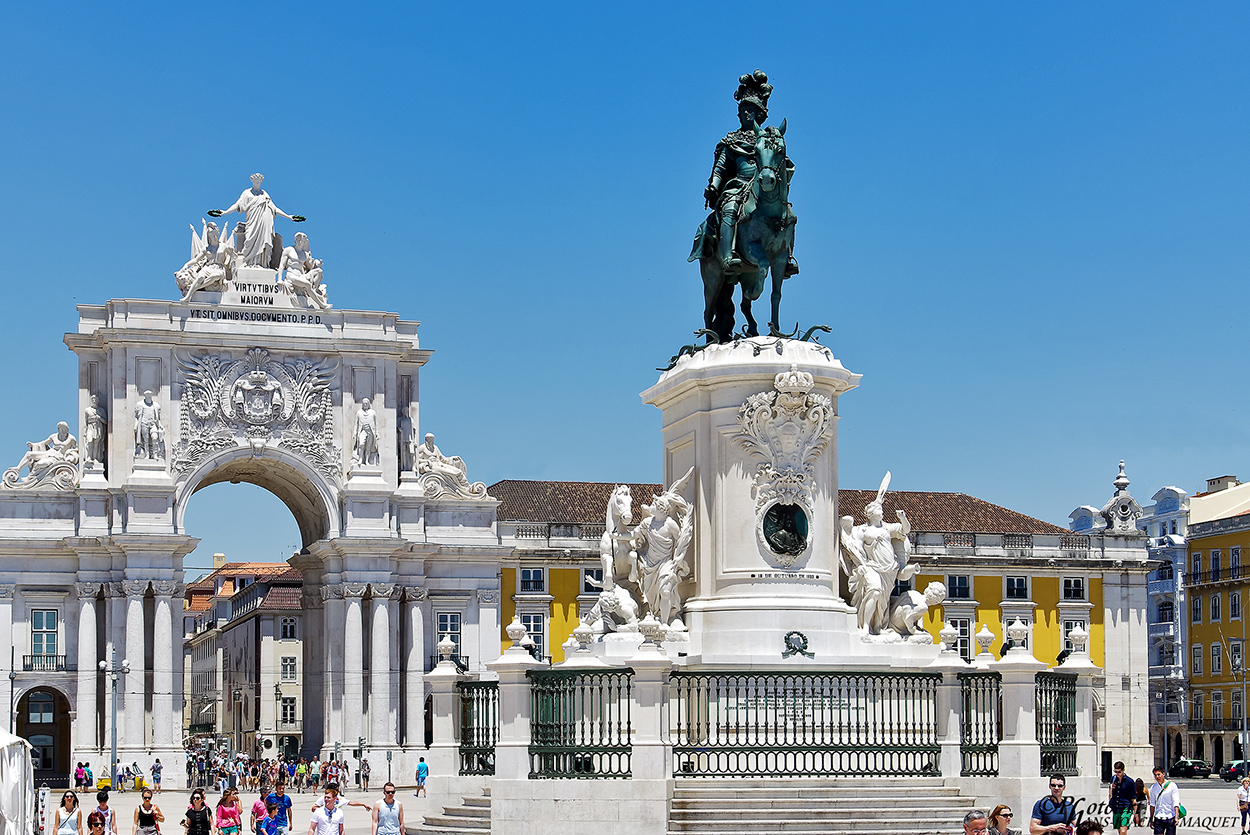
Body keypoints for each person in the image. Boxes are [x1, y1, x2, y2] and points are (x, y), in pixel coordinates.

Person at [213, 173, 302, 269]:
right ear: (252, 181)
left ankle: (261, 264)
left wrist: (288, 216)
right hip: (252, 221)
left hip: (263, 222)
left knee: (263, 242)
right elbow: (237, 205)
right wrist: (225, 212)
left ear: (261, 181)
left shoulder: (264, 194)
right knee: (250, 240)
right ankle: (249, 262)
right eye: (256, 180)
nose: (257, 182)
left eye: (259, 181)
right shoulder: (246, 193)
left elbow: (274, 208)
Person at [1147, 766, 1181, 835]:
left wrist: (1176, 817)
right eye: (1155, 775)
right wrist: (1151, 819)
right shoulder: (1154, 787)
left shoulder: (1172, 786)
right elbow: (1152, 804)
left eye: (1159, 774)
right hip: (1158, 816)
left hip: (1170, 816)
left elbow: (1176, 802)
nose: (1157, 777)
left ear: (1163, 774)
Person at [1109, 761, 1136, 835]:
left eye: (1119, 772)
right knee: (1119, 830)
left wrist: (1136, 813)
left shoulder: (1129, 782)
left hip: (1126, 807)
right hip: (1116, 807)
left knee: (1123, 830)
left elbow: (1133, 798)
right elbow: (1111, 793)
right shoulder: (1113, 779)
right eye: (1116, 772)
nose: (1117, 774)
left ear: (1123, 770)